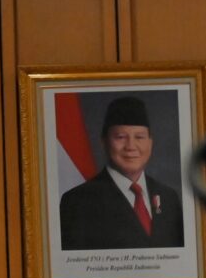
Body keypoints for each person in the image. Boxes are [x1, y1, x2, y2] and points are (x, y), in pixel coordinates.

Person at [57, 93, 185, 251]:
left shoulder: (168, 198)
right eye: (120, 137)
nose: (131, 146)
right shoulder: (77, 202)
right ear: (104, 142)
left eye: (139, 137)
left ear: (151, 142)